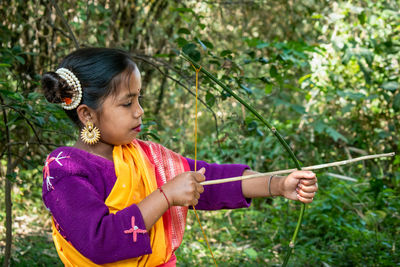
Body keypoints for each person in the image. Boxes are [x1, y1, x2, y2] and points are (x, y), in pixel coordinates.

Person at [41, 47, 318, 267]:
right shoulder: (65, 169)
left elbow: (213, 180)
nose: (140, 111)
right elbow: (100, 240)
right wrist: (165, 196)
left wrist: (280, 185)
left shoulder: (147, 156)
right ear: (87, 114)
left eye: (139, 98)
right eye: (127, 103)